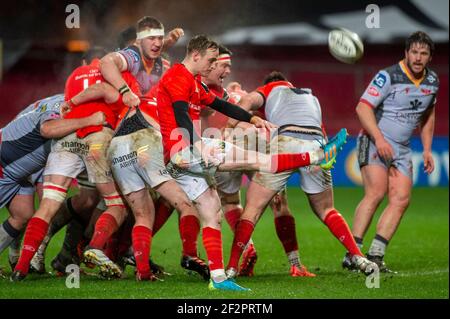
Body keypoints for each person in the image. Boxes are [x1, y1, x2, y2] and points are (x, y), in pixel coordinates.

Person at [156, 35, 347, 291]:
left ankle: (219, 280)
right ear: (196, 56)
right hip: (187, 149)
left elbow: (220, 105)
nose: (213, 66)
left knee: (212, 209)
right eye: (211, 61)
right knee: (262, 160)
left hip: (181, 156)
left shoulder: (192, 82)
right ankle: (315, 156)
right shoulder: (177, 77)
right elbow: (181, 114)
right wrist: (196, 144)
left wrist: (253, 119)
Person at [224, 71, 377, 278]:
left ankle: (232, 268)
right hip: (316, 146)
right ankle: (358, 257)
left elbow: (247, 101)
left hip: (285, 143)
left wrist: (229, 125)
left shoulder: (270, 89)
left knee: (252, 209)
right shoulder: (311, 97)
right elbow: (321, 132)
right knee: (327, 210)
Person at [10, 53, 140, 281]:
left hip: (67, 139)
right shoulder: (119, 78)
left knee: (48, 206)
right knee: (116, 204)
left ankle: (21, 267)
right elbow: (102, 89)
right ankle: (96, 248)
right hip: (97, 138)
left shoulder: (74, 76)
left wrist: (71, 102)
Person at [342, 31, 439, 273]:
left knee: (401, 199)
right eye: (414, 52)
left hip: (403, 148)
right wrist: (379, 138)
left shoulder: (432, 82)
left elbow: (428, 115)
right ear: (406, 53)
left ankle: (375, 256)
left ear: (429, 57)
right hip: (374, 141)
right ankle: (353, 254)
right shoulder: (388, 76)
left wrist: (427, 149)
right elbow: (362, 107)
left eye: (423, 53)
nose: (418, 58)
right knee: (376, 193)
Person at [0, 94, 105, 274]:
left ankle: (16, 256)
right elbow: (46, 129)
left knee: (23, 214)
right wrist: (89, 120)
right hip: (4, 163)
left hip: (20, 171)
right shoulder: (61, 104)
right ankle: (20, 256)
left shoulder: (62, 100)